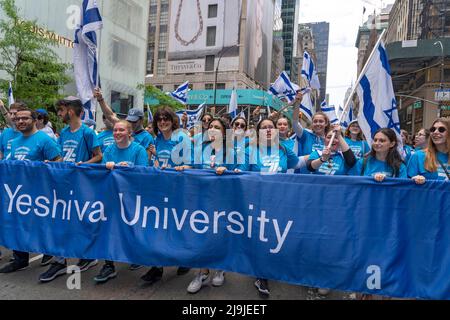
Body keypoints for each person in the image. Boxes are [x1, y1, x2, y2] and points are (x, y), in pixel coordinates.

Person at [231, 118, 305, 296]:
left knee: (274, 236)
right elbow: (241, 172)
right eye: (263, 128)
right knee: (260, 237)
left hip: (279, 201)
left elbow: (297, 164)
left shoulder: (284, 149)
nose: (268, 130)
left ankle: (270, 268)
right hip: (256, 202)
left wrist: (321, 157)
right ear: (258, 132)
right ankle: (261, 275)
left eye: (270, 127)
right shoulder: (249, 150)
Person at [38, 96, 103, 283]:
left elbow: (99, 156)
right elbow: (62, 157)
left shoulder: (88, 133)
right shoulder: (64, 132)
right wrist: (51, 162)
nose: (58, 114)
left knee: (81, 222)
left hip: (81, 186)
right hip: (64, 185)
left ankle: (88, 256)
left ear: (70, 111)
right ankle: (59, 261)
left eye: (60, 110)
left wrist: (83, 164)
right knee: (60, 222)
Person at [0, 106, 61, 274]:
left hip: (39, 194)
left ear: (34, 120)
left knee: (43, 226)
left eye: (25, 118)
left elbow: (59, 162)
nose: (20, 121)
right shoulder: (16, 141)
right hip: (17, 194)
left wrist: (48, 166)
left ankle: (55, 258)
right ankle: (20, 259)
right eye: (18, 119)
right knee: (16, 225)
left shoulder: (44, 140)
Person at [141, 106, 192, 284]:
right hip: (160, 190)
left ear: (172, 120)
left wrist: (180, 168)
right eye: (159, 119)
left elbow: (191, 165)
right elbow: (158, 161)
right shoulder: (158, 139)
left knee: (177, 227)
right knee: (158, 227)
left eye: (166, 118)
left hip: (178, 191)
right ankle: (157, 268)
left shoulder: (182, 138)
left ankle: (183, 259)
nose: (162, 122)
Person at [94, 121, 149, 283]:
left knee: (132, 228)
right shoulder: (109, 150)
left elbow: (144, 173)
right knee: (108, 228)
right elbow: (103, 173)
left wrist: (129, 167)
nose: (117, 133)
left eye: (121, 130)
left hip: (133, 197)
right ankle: (109, 265)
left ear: (129, 133)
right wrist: (106, 166)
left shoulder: (138, 150)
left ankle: (136, 256)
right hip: (113, 196)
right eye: (115, 130)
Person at [182, 118, 232, 294]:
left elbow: (240, 172)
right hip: (201, 199)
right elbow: (193, 166)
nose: (212, 129)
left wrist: (227, 170)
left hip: (222, 200)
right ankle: (202, 272)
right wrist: (184, 167)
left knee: (218, 233)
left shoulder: (231, 151)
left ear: (224, 133)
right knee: (201, 234)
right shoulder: (200, 148)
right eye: (210, 127)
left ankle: (220, 268)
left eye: (217, 128)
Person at [94, 88, 154, 163]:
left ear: (141, 120)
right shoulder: (123, 127)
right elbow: (110, 116)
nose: (131, 123)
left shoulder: (147, 137)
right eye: (129, 120)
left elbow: (146, 160)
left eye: (134, 121)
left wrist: (128, 165)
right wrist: (100, 100)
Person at [408, 118, 449, 184]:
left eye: (441, 129)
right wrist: (413, 180)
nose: (435, 132)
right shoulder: (418, 156)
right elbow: (405, 185)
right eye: (433, 129)